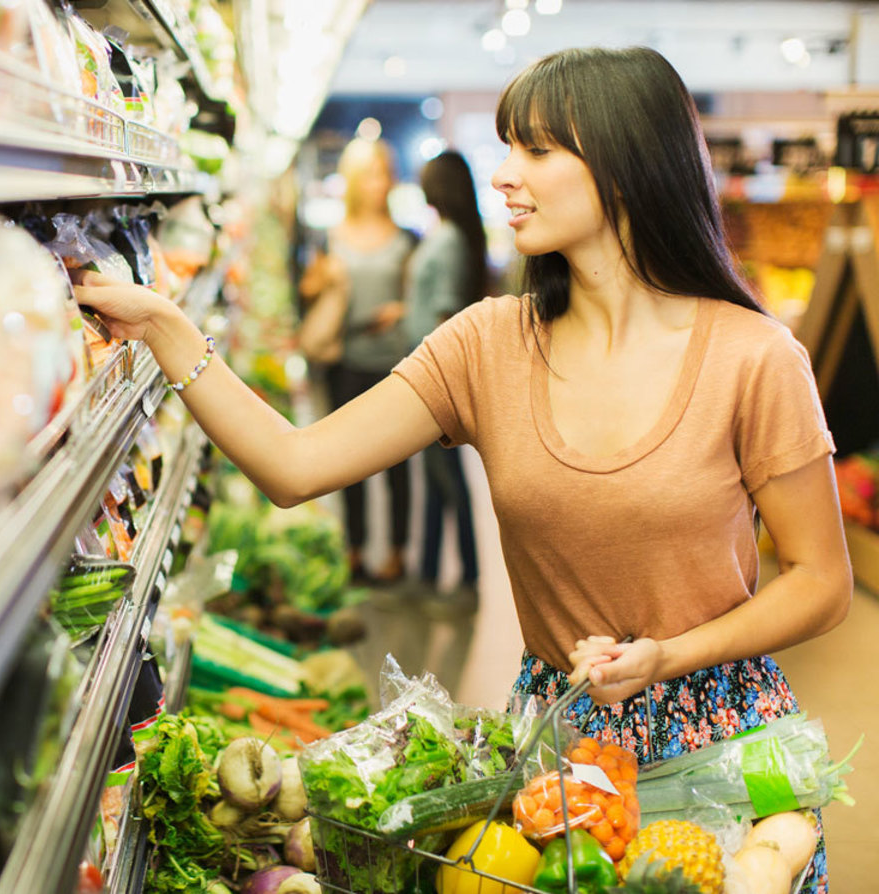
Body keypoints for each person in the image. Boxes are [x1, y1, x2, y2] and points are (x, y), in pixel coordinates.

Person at [77, 47, 851, 892]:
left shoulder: (754, 357)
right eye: (505, 148)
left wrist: (670, 655)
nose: (505, 176)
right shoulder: (487, 344)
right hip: (561, 761)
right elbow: (294, 467)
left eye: (538, 151)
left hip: (729, 765)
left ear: (628, 166)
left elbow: (820, 580)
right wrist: (162, 325)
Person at [299, 137, 417, 584]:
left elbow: (417, 298)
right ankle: (355, 549)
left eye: (384, 173)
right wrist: (323, 280)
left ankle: (398, 552)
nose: (378, 183)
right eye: (370, 173)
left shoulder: (406, 240)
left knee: (399, 465)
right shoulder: (331, 237)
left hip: (398, 365)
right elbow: (308, 290)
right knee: (349, 462)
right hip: (347, 360)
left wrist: (402, 311)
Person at [405, 150, 487, 613]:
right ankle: (430, 575)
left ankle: (469, 581)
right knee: (436, 485)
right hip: (427, 379)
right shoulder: (448, 235)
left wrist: (434, 377)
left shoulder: (451, 240)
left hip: (436, 384)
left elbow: (444, 311)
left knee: (450, 483)